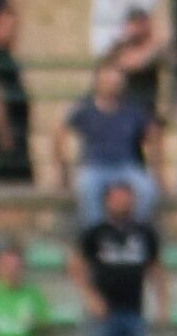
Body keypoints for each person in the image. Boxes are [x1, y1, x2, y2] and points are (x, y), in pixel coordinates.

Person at [71, 179, 166, 336]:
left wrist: (163, 304)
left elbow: (155, 270)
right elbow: (75, 266)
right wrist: (91, 297)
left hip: (133, 310)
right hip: (103, 314)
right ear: (106, 201)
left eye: (126, 196)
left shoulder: (145, 233)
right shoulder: (95, 233)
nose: (123, 201)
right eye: (117, 197)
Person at [59, 64, 160, 223]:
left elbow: (153, 134)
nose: (112, 86)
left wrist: (157, 171)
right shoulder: (84, 108)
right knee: (86, 189)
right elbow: (59, 134)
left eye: (116, 82)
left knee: (146, 190)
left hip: (126, 165)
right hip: (94, 166)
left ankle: (136, 231)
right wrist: (63, 172)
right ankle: (96, 234)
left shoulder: (133, 108)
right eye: (108, 81)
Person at [0, 8, 36, 187]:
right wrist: (4, 134)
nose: (10, 31)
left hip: (18, 134)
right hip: (8, 137)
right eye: (5, 26)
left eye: (13, 27)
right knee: (11, 189)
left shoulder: (7, 57)